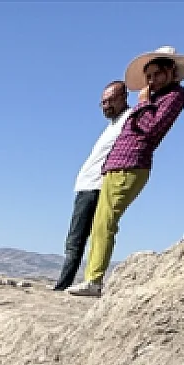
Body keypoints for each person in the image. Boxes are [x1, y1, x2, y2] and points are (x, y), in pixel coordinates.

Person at [67, 46, 184, 298]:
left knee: (105, 223)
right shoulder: (157, 97)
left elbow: (150, 127)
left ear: (171, 71)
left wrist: (144, 101)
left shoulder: (174, 96)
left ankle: (94, 280)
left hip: (131, 163)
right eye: (148, 76)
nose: (151, 80)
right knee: (101, 223)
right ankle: (92, 277)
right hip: (117, 165)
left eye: (157, 74)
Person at [54, 80, 132, 291]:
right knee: (78, 236)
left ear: (123, 97)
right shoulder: (112, 124)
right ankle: (69, 282)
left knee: (77, 238)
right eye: (102, 102)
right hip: (87, 184)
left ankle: (64, 285)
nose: (105, 106)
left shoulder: (128, 118)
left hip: (95, 185)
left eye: (109, 100)